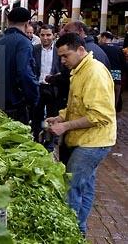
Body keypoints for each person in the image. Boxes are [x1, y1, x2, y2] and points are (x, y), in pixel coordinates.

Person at [46, 33, 116, 237]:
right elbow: (77, 105)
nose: (62, 61)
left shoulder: (94, 73)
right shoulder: (79, 70)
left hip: (94, 142)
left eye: (65, 56)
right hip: (85, 139)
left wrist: (66, 126)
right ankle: (79, 230)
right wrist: (60, 117)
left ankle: (70, 233)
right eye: (60, 56)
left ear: (80, 50)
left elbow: (100, 115)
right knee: (84, 186)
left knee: (72, 186)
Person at [0, 7, 39, 124]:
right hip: (15, 105)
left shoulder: (0, 40)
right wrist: (33, 99)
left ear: (8, 22)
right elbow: (25, 73)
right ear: (27, 24)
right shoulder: (24, 42)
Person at [31, 24, 61, 148]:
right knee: (36, 115)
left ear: (53, 35)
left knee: (52, 115)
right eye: (42, 35)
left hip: (53, 88)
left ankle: (50, 142)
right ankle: (36, 140)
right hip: (38, 87)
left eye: (48, 35)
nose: (45, 38)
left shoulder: (59, 51)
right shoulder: (34, 49)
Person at [98, 31, 126, 111]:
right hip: (117, 76)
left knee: (103, 95)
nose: (99, 40)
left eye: (100, 38)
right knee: (115, 96)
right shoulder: (118, 49)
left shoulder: (100, 48)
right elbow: (123, 64)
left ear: (104, 38)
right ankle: (113, 112)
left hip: (104, 74)